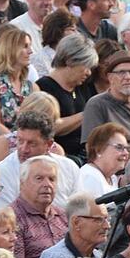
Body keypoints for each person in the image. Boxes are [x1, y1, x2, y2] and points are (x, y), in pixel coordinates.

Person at [0, 111, 83, 210]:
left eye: (32, 144)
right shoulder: (3, 171)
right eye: (20, 141)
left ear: (49, 144)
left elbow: (79, 208)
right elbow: (6, 213)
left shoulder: (68, 167)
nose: (23, 149)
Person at [35, 33, 98, 162]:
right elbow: (48, 128)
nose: (88, 72)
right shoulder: (43, 88)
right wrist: (85, 114)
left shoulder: (82, 87)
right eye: (85, 66)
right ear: (70, 61)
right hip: (59, 156)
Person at [81, 50, 130, 145]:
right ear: (110, 77)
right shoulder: (97, 105)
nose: (128, 77)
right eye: (121, 72)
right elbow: (92, 146)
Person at [0, 27, 36, 131]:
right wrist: (14, 139)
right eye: (25, 46)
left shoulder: (32, 87)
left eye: (30, 46)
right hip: (3, 138)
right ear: (10, 49)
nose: (30, 51)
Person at [81, 123, 130, 198]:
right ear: (99, 150)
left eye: (126, 148)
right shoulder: (90, 177)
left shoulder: (112, 178)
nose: (126, 153)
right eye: (119, 147)